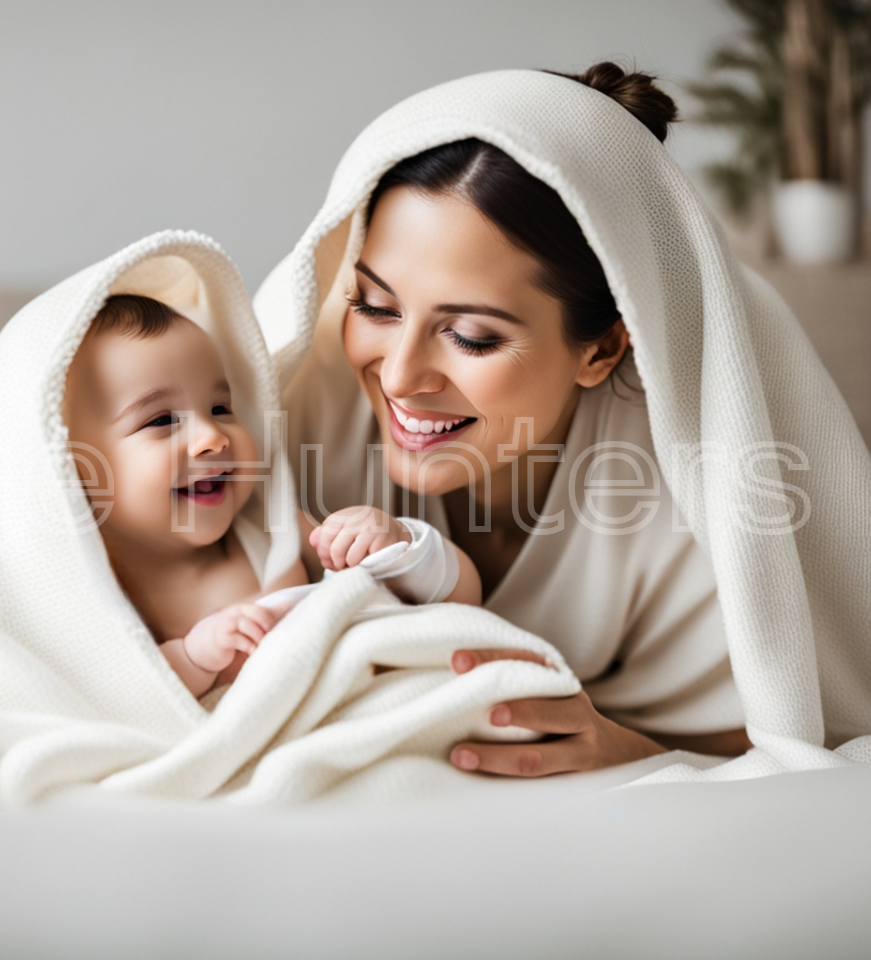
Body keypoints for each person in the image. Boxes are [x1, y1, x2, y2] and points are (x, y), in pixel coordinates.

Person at [257, 63, 776, 776]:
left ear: (600, 349)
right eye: (376, 306)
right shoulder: (296, 411)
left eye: (471, 336)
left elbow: (777, 735)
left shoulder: (695, 487)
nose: (399, 375)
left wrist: (630, 750)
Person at [63, 293, 481, 696]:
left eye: (220, 408)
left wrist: (395, 545)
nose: (212, 436)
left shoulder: (272, 528)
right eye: (161, 419)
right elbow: (118, 698)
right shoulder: (100, 591)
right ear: (72, 468)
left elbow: (461, 597)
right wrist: (193, 657)